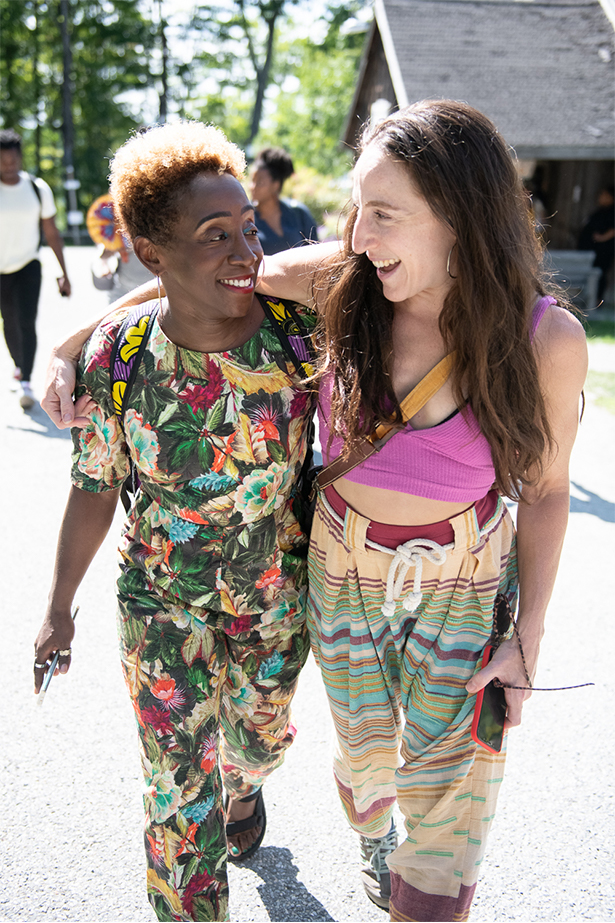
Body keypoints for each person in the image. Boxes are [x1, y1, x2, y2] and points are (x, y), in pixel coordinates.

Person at [40, 100, 587, 923]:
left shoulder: (515, 335)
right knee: (279, 774)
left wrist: (528, 635)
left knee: (399, 781)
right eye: (355, 213)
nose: (359, 237)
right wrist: (76, 340)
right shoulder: (332, 288)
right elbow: (199, 277)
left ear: (456, 216)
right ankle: (317, 851)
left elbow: (544, 490)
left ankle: (368, 856)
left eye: (383, 215)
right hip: (270, 581)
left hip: (407, 587)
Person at [33, 121, 317, 922]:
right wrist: (58, 607)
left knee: (257, 740)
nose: (244, 251)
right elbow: (93, 487)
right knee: (174, 788)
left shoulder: (298, 336)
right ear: (152, 254)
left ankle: (245, 785)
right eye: (214, 234)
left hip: (274, 595)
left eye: (248, 228)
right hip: (158, 602)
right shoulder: (119, 357)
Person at [0, 128, 71, 409]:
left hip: (29, 264)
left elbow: (52, 233)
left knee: (26, 319)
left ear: (20, 157)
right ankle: (19, 366)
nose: (9, 165)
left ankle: (26, 380)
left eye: (13, 160)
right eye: (3, 161)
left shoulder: (37, 189)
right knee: (9, 321)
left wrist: (64, 272)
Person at [249, 146, 317, 254]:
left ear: (275, 185)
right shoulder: (247, 219)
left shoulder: (299, 214)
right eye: (252, 181)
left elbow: (316, 252)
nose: (252, 187)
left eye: (259, 182)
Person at [577, 185, 615, 306]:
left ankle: (598, 300)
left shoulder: (612, 211)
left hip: (603, 250)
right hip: (591, 250)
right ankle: (588, 299)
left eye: (604, 195)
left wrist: (602, 238)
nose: (600, 197)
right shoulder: (600, 210)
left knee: (600, 274)